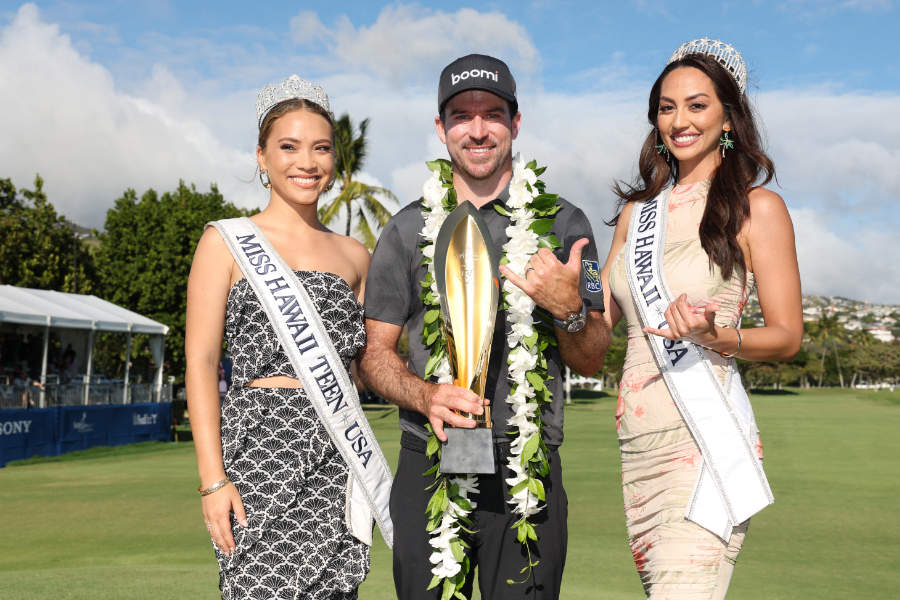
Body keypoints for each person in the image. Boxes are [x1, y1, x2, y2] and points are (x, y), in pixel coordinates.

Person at [359, 54, 611, 600]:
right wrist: (425, 395)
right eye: (461, 116)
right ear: (440, 127)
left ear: (515, 123)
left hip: (527, 466)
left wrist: (568, 307)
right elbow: (374, 354)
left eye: (492, 114)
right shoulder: (404, 230)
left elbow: (592, 357)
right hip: (427, 456)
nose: (477, 130)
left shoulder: (567, 225)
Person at [599, 38, 802, 598]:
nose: (679, 120)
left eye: (697, 104)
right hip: (637, 448)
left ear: (728, 115)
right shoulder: (635, 216)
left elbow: (787, 337)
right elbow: (598, 332)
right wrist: (567, 301)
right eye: (667, 107)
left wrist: (714, 335)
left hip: (703, 442)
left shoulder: (757, 208)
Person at [185, 75, 391, 599]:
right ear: (261, 156)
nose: (307, 162)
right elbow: (201, 364)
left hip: (334, 449)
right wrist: (213, 480)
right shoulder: (224, 242)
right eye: (289, 147)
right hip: (256, 453)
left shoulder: (355, 257)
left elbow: (370, 362)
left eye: (321, 148)